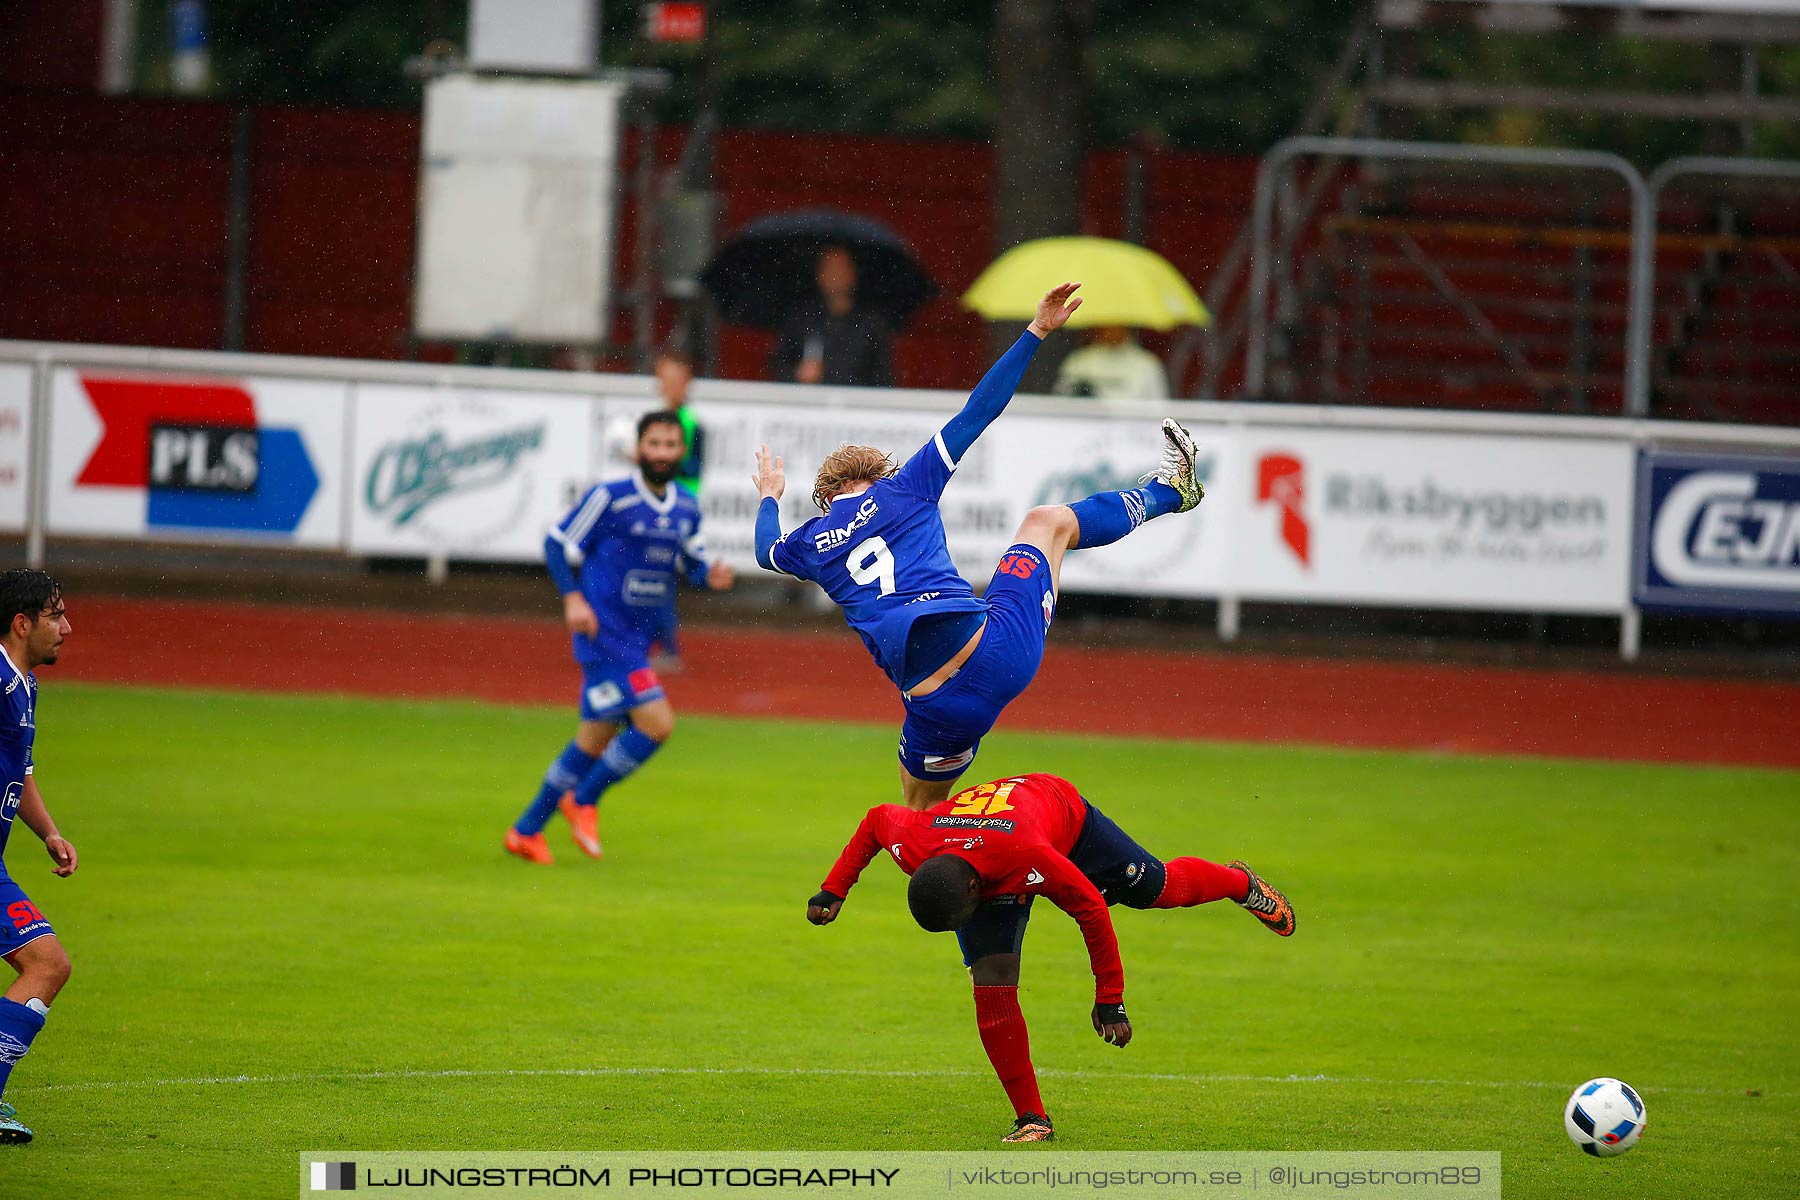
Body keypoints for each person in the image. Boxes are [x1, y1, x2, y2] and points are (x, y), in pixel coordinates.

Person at [753, 283, 1203, 810]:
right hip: (996, 650)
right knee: (1047, 523)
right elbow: (979, 411)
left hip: (938, 707)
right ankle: (1171, 492)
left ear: (827, 498)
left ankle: (970, 885)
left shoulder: (812, 541)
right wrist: (1036, 331)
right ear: (880, 473)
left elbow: (766, 552)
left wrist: (769, 496)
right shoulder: (907, 485)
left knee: (917, 819)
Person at [806, 772, 1294, 1144]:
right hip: (979, 850)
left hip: (1062, 819)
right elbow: (875, 820)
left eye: (962, 918)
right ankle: (1032, 1119)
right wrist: (834, 890)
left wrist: (1111, 999)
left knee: (1156, 889)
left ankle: (1239, 883)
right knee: (992, 978)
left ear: (976, 889)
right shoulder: (911, 844)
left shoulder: (1031, 857)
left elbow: (1091, 908)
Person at [505, 412, 735, 865]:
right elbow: (555, 542)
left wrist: (712, 576)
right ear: (639, 448)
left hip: (637, 638)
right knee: (657, 723)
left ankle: (526, 830)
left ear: (681, 452)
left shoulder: (687, 506)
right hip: (603, 634)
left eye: (671, 445)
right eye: (655, 443)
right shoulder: (610, 497)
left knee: (593, 740)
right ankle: (584, 800)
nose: (663, 453)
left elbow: (692, 566)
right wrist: (573, 598)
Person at [0, 570, 79, 1144]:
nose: (67, 628)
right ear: (22, 623)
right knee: (47, 964)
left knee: (48, 964)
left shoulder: (24, 685)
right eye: (55, 615)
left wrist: (48, 832)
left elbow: (19, 772)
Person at [768, 245, 893, 388]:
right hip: (810, 405)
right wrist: (796, 373)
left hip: (855, 406)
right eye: (829, 268)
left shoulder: (870, 324)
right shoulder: (801, 318)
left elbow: (884, 379)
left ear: (852, 274)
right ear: (819, 275)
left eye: (840, 268)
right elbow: (778, 366)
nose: (835, 275)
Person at [1054, 325, 1170, 402]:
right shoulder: (1078, 362)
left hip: (1134, 436)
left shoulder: (1147, 365)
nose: (1112, 327)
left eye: (1118, 322)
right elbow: (1061, 404)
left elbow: (1159, 412)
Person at [654, 347, 707, 495]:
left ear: (685, 384)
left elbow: (690, 468)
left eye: (672, 381)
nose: (665, 386)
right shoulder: (658, 418)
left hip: (680, 496)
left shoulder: (689, 423)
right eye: (663, 380)